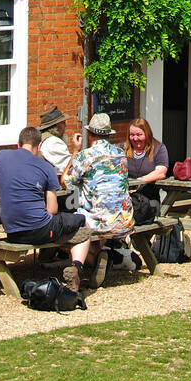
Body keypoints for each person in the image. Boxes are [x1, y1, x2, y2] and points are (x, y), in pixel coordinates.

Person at [0, 126, 90, 264]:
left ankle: (51, 255)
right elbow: (52, 210)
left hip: (12, 232)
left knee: (59, 226)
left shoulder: (0, 156)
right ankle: (78, 266)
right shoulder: (46, 168)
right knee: (81, 221)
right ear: (39, 145)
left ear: (18, 144)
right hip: (39, 231)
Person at [63, 113, 134, 291]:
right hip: (123, 220)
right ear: (109, 134)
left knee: (70, 229)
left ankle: (92, 260)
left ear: (89, 134)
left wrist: (75, 151)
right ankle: (98, 257)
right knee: (97, 212)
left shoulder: (85, 156)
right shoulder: (120, 154)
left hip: (97, 221)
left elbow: (66, 181)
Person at [125, 118, 168, 202]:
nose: (135, 138)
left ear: (147, 134)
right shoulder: (122, 149)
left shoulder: (159, 148)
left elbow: (161, 172)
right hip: (126, 200)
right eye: (132, 135)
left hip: (149, 200)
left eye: (139, 135)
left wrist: (138, 182)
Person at [38, 106, 72, 175]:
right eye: (63, 122)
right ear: (57, 126)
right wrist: (76, 150)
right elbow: (70, 167)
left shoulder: (44, 138)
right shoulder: (53, 142)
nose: (65, 126)